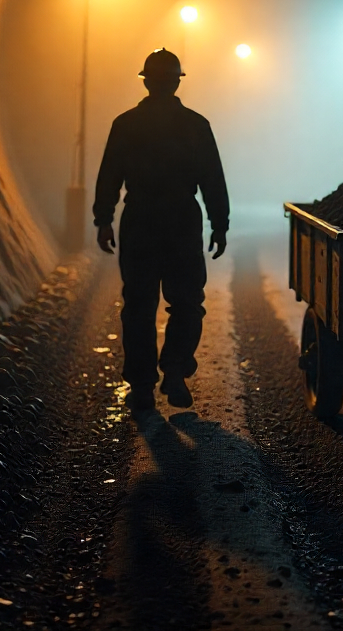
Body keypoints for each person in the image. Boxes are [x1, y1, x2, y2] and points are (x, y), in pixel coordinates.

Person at [93, 48, 229, 412]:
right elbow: (212, 179)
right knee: (186, 302)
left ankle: (141, 386)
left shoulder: (126, 124)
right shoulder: (197, 125)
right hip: (182, 220)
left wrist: (104, 218)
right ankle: (174, 371)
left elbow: (110, 175)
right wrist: (220, 223)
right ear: (175, 82)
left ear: (147, 81)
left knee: (138, 304)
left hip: (140, 220)